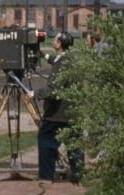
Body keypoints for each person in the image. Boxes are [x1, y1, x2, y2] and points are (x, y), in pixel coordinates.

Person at [27, 31, 83, 181]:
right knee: (74, 143)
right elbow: (55, 59)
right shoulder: (68, 58)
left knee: (45, 139)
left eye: (55, 39)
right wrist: (41, 54)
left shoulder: (62, 64)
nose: (53, 41)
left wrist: (35, 94)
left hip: (59, 113)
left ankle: (46, 175)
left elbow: (54, 89)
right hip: (73, 111)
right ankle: (79, 175)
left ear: (59, 44)